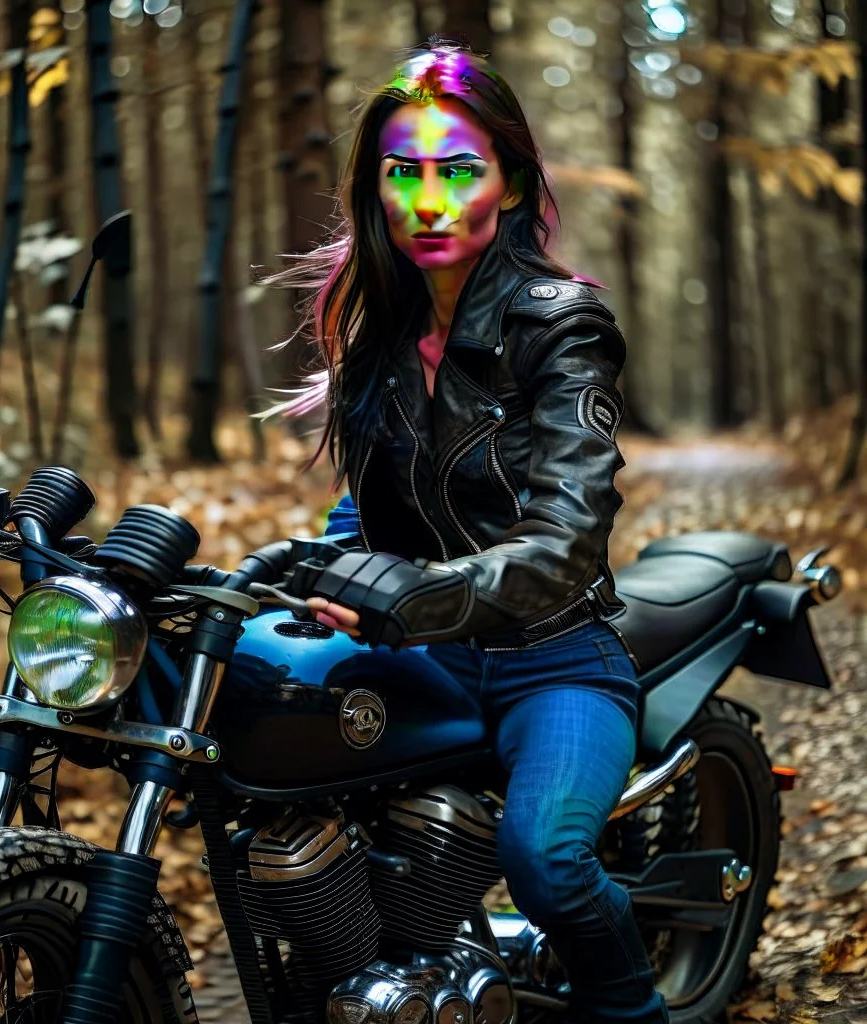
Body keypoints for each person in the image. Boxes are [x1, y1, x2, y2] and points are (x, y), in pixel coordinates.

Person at [264, 37, 669, 1024]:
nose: (430, 200)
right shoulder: (374, 337)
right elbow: (365, 507)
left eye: (459, 170)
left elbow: (567, 542)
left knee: (548, 859)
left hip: (552, 656)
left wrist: (414, 593)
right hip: (424, 654)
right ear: (376, 186)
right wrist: (311, 569)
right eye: (404, 172)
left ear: (512, 178)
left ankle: (632, 1009)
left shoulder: (561, 324)